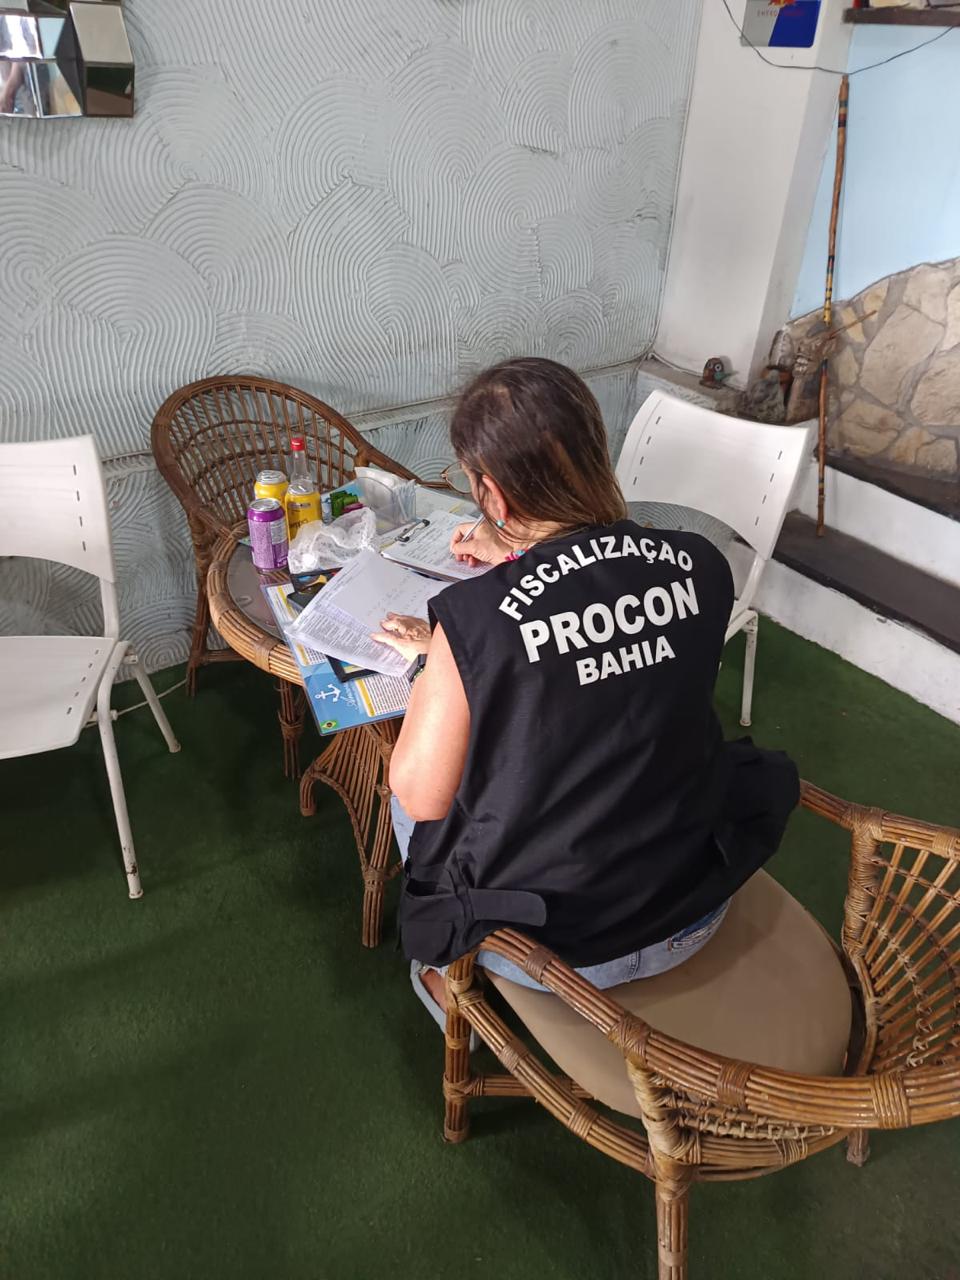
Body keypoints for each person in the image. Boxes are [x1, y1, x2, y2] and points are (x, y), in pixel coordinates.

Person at [373, 357, 799, 1025]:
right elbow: (616, 670)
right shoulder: (702, 566)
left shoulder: (475, 619)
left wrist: (438, 664)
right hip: (696, 900)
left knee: (410, 806)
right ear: (595, 451)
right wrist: (522, 564)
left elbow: (421, 795)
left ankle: (444, 979)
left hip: (560, 949)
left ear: (494, 497)